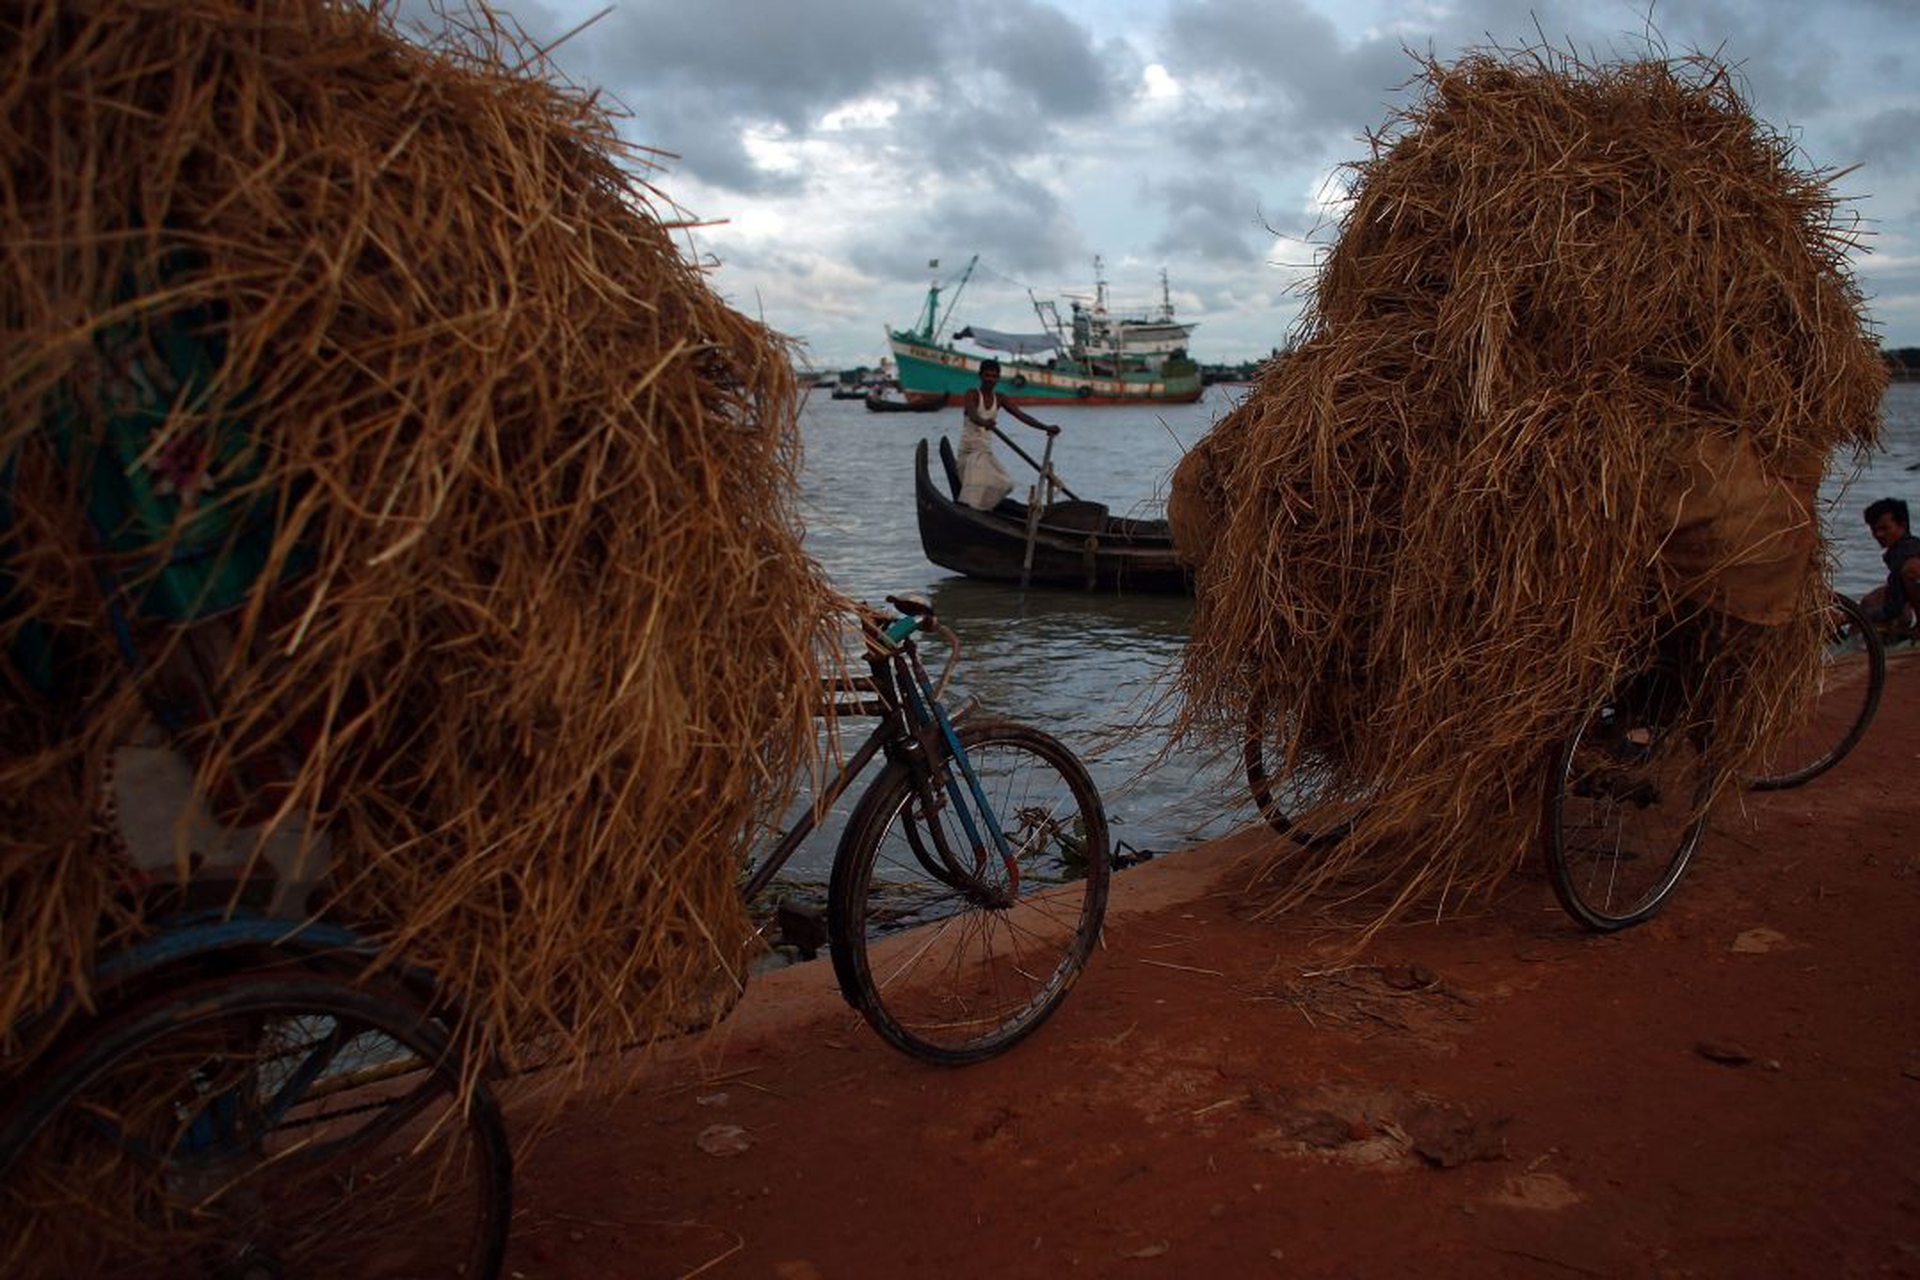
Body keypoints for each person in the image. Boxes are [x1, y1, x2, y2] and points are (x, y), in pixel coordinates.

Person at [956, 359, 1058, 510]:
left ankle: (982, 509)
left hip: (985, 452)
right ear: (980, 376)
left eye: (994, 376)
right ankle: (969, 509)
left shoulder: (1001, 398)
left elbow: (1022, 416)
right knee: (975, 488)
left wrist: (1045, 427)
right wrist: (984, 423)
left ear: (998, 378)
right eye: (987, 375)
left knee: (1006, 483)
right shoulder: (972, 394)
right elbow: (972, 415)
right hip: (969, 453)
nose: (990, 379)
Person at [1861, 497, 1920, 637]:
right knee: (1872, 600)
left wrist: (1852, 617)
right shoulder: (1906, 548)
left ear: (1903, 526)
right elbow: (1895, 597)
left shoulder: (1906, 555)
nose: (1879, 534)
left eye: (1885, 528)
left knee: (1911, 570)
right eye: (1874, 530)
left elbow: (1894, 608)